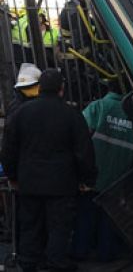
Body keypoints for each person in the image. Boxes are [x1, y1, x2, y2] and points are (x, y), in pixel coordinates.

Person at [0, 68, 96, 272]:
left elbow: (8, 148)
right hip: (62, 184)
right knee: (59, 227)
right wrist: (87, 179)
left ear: (40, 88)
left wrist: (12, 175)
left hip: (28, 181)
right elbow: (84, 151)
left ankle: (28, 262)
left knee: (30, 225)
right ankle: (56, 262)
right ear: (61, 89)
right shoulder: (72, 115)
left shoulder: (21, 114)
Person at [72, 83, 133, 262]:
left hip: (94, 174)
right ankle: (106, 255)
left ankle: (80, 251)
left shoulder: (98, 107)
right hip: (120, 176)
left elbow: (78, 134)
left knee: (86, 215)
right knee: (110, 218)